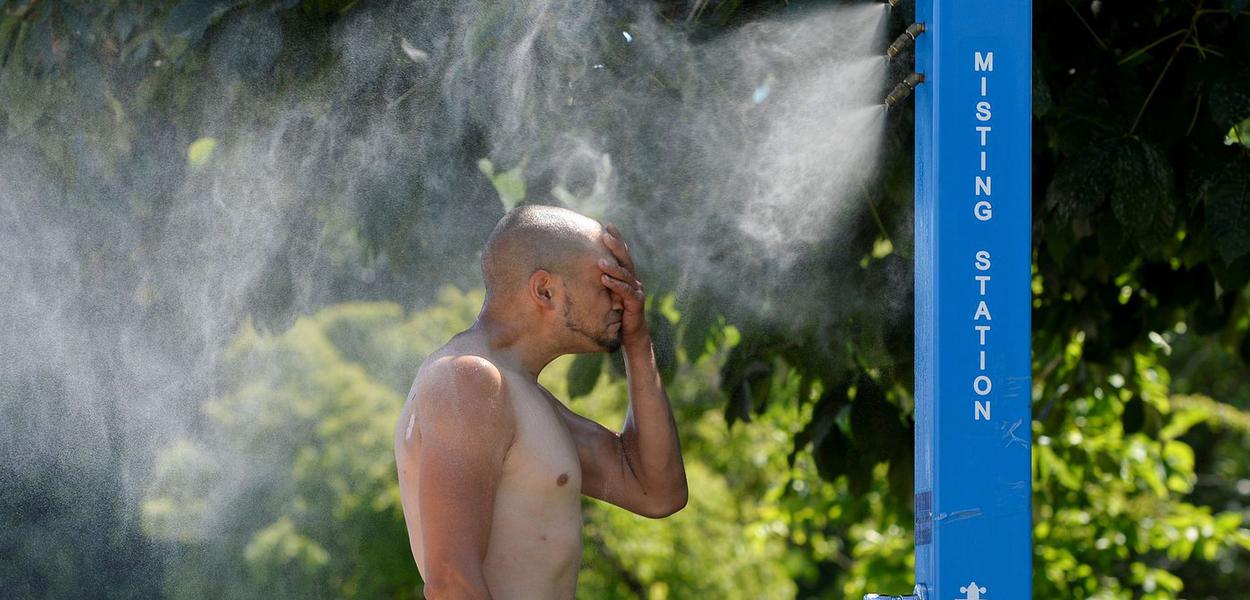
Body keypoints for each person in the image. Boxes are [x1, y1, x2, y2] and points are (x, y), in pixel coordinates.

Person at [393, 205, 688, 599]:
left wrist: (637, 341)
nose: (621, 300)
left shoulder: (519, 395)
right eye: (607, 283)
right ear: (545, 289)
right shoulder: (469, 380)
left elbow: (657, 489)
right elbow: (450, 582)